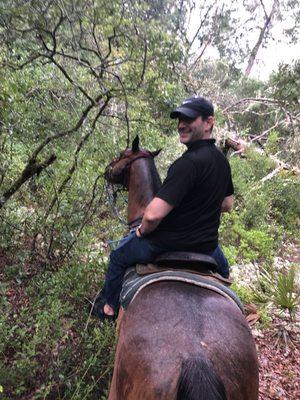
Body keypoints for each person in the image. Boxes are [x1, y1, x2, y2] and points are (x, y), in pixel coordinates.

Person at [95, 96, 234, 321]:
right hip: (207, 248)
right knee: (225, 274)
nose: (181, 124)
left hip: (164, 244)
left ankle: (108, 308)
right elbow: (227, 203)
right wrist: (198, 202)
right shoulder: (221, 161)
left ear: (208, 122)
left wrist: (140, 232)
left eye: (189, 118)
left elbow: (151, 215)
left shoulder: (186, 164)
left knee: (118, 256)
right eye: (179, 118)